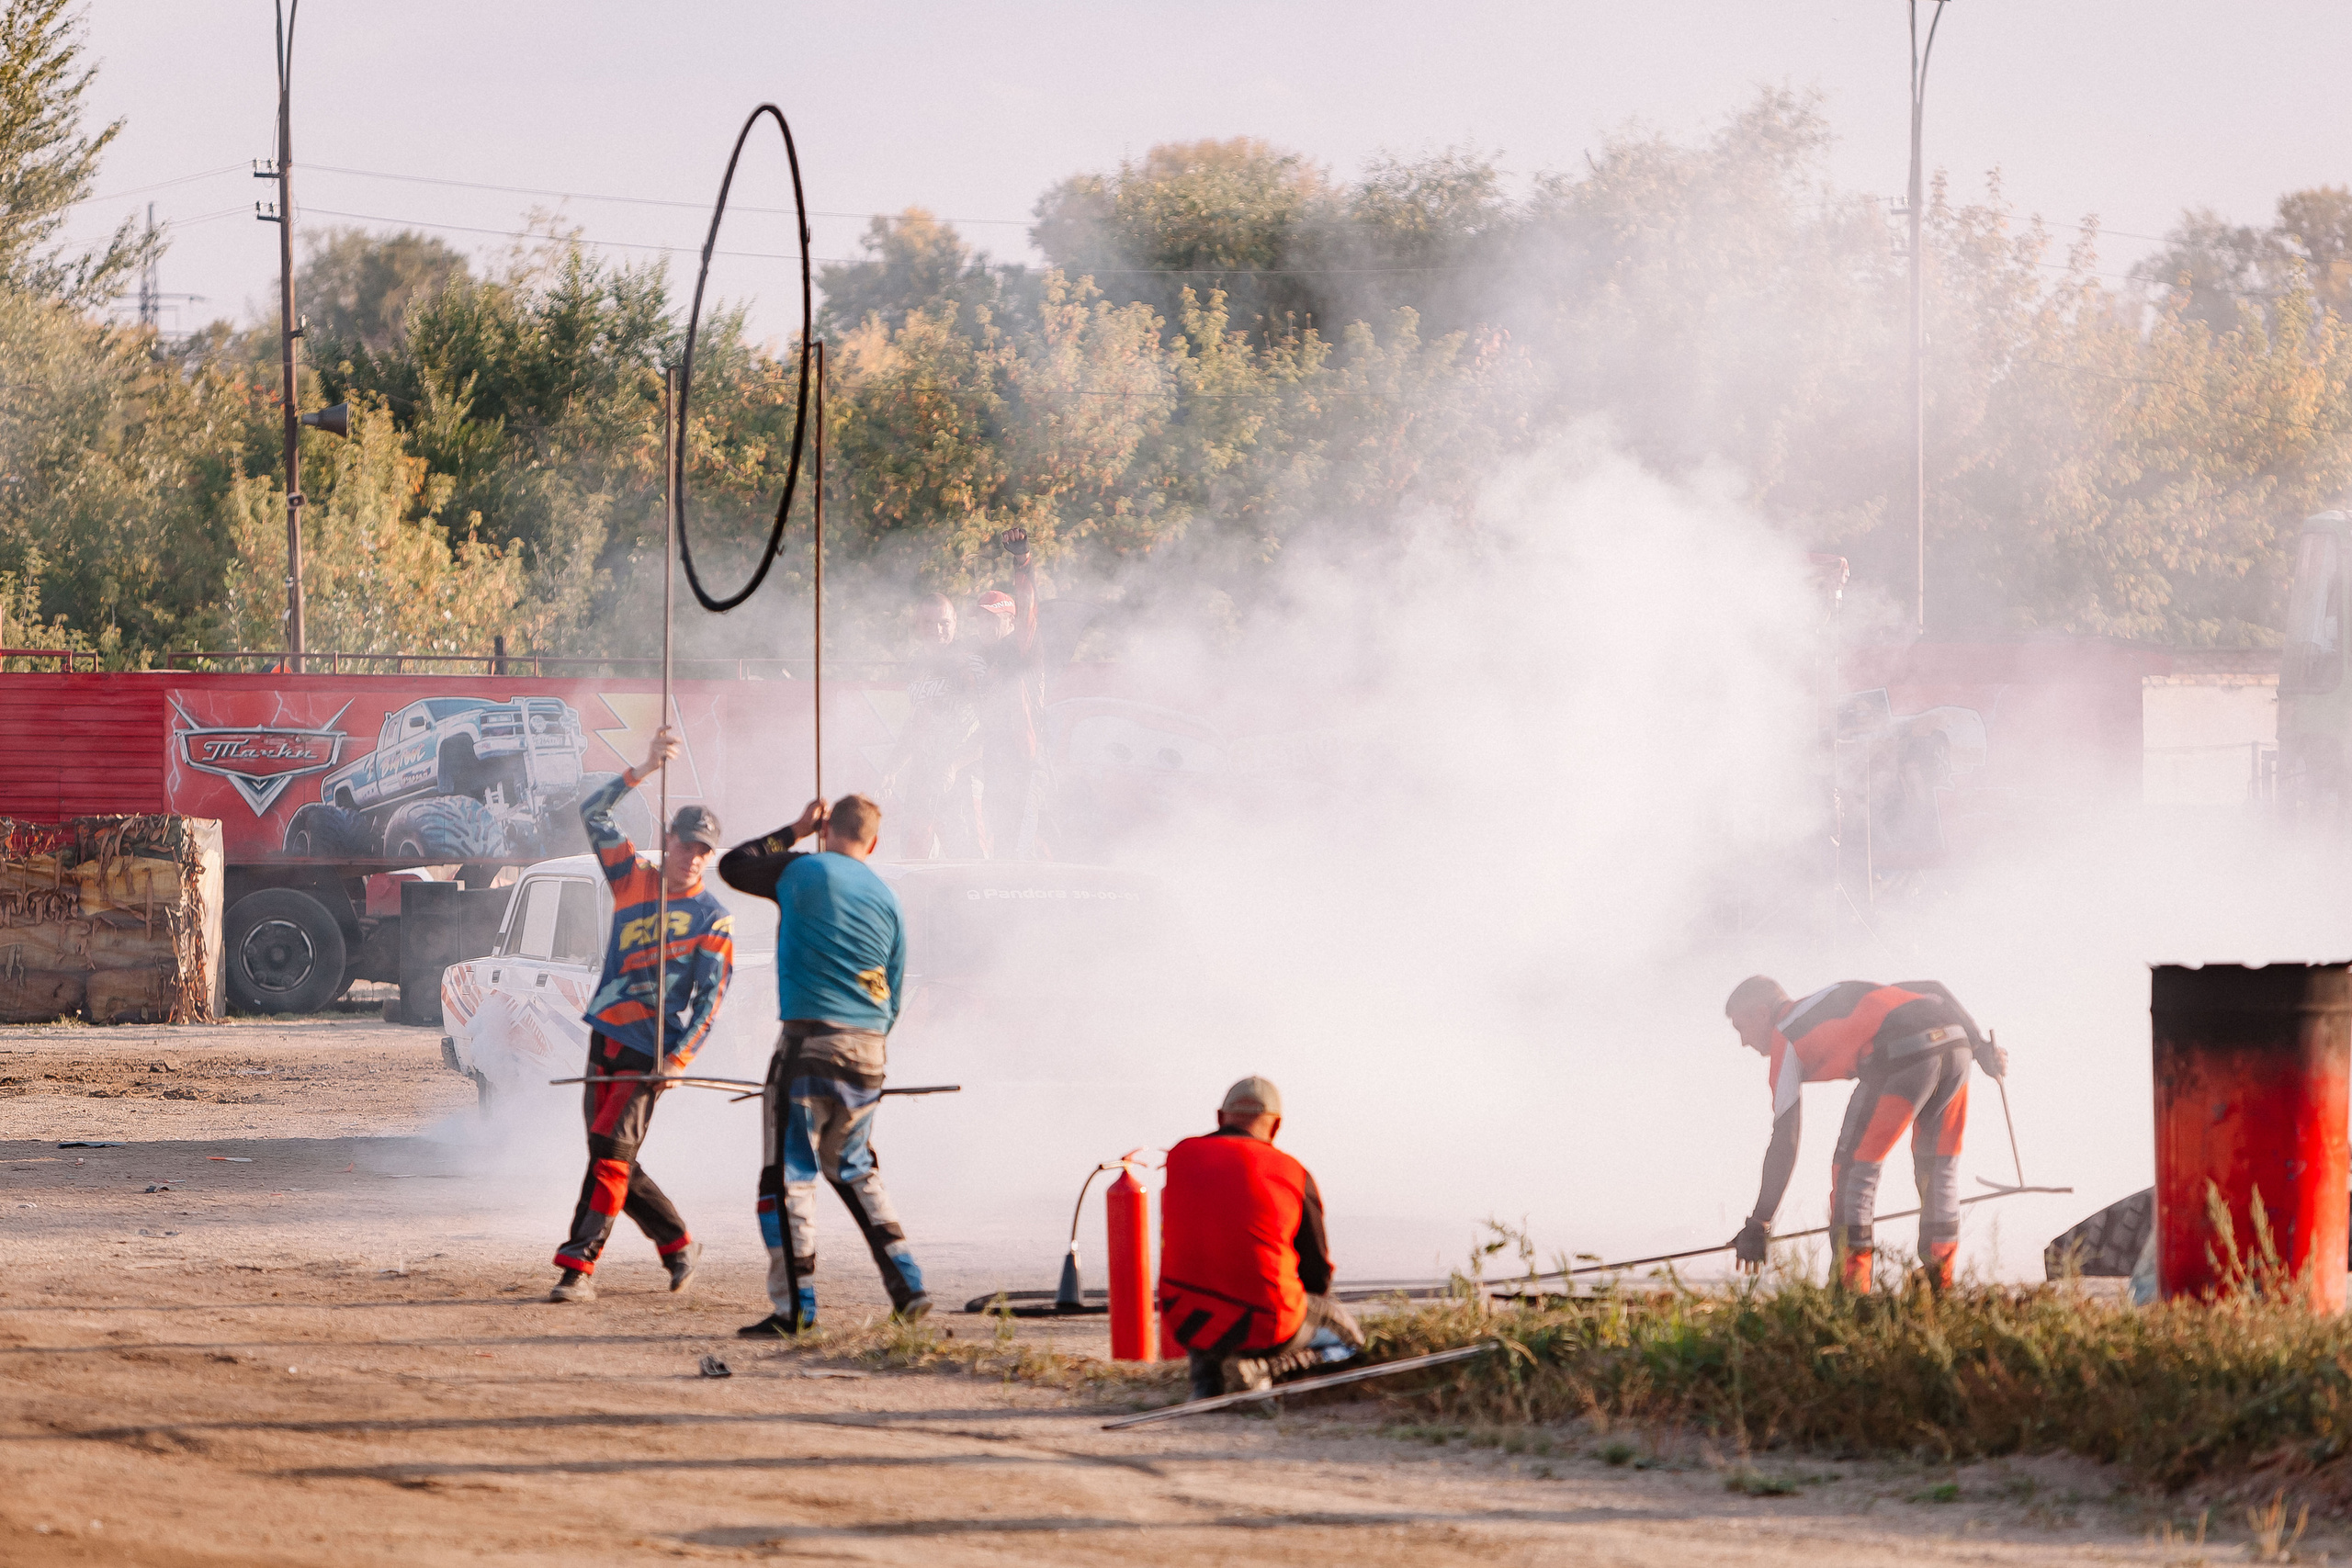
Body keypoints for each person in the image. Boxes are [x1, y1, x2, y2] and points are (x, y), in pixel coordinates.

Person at [718, 793, 930, 1334]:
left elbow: (733, 865)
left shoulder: (802, 868)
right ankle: (908, 1286)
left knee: (788, 1177)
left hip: (808, 1044)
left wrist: (793, 829)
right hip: (870, 1050)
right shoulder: (887, 896)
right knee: (855, 1168)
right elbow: (896, 992)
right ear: (873, 843)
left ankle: (796, 1310)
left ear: (826, 828)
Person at [548, 727, 734, 1303]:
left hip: (652, 1049)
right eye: (685, 845)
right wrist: (644, 768)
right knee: (609, 1154)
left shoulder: (713, 918)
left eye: (703, 850)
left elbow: (710, 1000)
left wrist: (679, 1059)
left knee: (609, 1156)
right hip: (604, 1033)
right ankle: (678, 1244)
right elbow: (591, 810)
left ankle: (578, 1268)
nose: (692, 857)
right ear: (668, 840)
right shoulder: (632, 878)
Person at [1724, 976, 2008, 1292]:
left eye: (1741, 1028)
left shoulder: (1785, 1035)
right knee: (1938, 1168)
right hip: (1957, 1046)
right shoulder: (1836, 996)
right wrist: (1980, 1045)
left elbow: (1785, 1140)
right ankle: (1938, 1283)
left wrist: (1759, 1223)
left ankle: (1850, 1293)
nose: (1743, 1042)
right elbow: (1934, 988)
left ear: (1762, 1013)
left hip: (1903, 1053)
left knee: (1853, 1172)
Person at [1158, 1076, 1365, 1400]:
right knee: (1351, 1340)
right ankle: (1266, 1369)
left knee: (1208, 1290)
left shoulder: (1179, 1157)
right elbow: (1318, 1273)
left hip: (1185, 1322)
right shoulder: (1292, 1171)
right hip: (1266, 1325)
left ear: (1219, 1117)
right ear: (1277, 1124)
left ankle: (1207, 1379)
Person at [883, 592, 984, 859]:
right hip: (923, 775)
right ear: (918, 625)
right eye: (929, 623)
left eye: (944, 623)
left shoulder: (968, 663)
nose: (937, 630)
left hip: (962, 777)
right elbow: (916, 723)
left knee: (966, 860)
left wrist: (953, 766)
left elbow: (990, 726)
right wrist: (892, 768)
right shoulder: (915, 664)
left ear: (955, 623)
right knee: (913, 856)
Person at [973, 528, 1046, 859]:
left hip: (1025, 761)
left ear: (1010, 623)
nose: (984, 626)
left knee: (1022, 843)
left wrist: (1022, 561)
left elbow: (1028, 606)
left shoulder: (1020, 649)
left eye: (992, 620)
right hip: (995, 762)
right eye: (980, 620)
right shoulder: (979, 658)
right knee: (1001, 837)